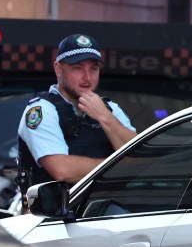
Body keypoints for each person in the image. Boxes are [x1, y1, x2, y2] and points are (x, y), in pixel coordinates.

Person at [16, 33, 136, 199]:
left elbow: (138, 156)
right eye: (78, 68)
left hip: (105, 211)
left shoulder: (109, 109)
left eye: (94, 68)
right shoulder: (42, 110)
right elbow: (62, 170)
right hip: (55, 218)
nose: (87, 77)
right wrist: (120, 168)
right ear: (58, 69)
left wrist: (104, 117)